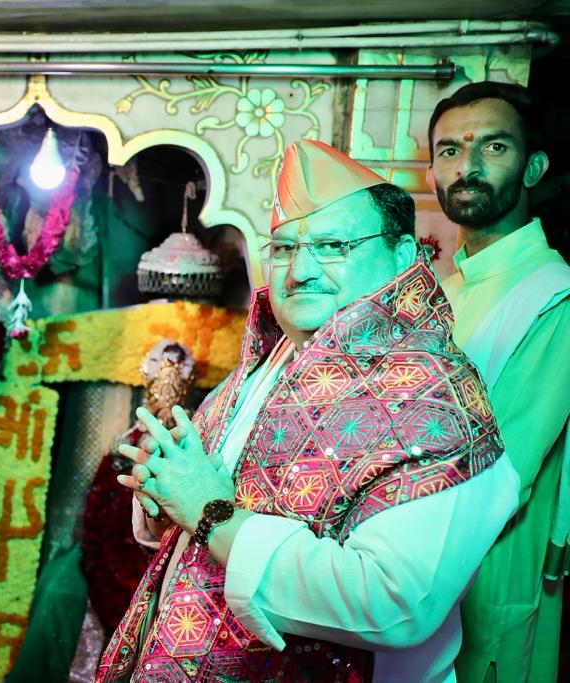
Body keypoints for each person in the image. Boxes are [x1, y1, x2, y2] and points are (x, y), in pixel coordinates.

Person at [95, 139, 520, 682]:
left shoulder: (432, 396)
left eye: (333, 245)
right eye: (283, 248)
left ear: (404, 255)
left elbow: (394, 605)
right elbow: (195, 513)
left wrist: (210, 513)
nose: (299, 272)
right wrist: (165, 489)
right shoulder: (270, 358)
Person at [426, 81, 570, 683]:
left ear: (533, 166)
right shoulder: (446, 288)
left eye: (494, 147)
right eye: (451, 151)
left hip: (489, 573)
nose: (469, 167)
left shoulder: (552, 296)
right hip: (420, 568)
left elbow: (501, 470)